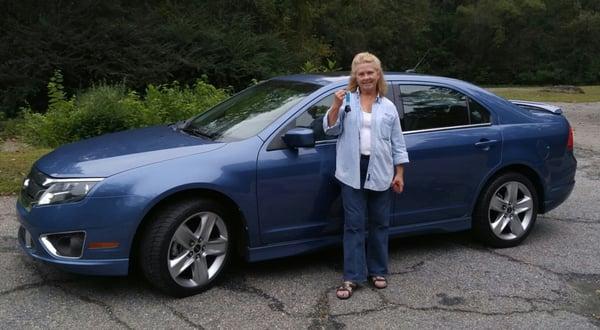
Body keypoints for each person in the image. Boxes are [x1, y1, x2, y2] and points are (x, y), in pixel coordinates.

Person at [323, 52, 409, 300]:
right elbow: (331, 129)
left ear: (378, 74)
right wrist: (335, 106)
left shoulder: (388, 106)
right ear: (355, 77)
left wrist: (399, 172)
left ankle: (378, 271)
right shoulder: (347, 101)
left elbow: (397, 143)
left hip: (381, 169)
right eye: (361, 73)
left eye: (370, 72)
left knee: (380, 223)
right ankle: (352, 277)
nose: (366, 77)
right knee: (353, 225)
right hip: (352, 170)